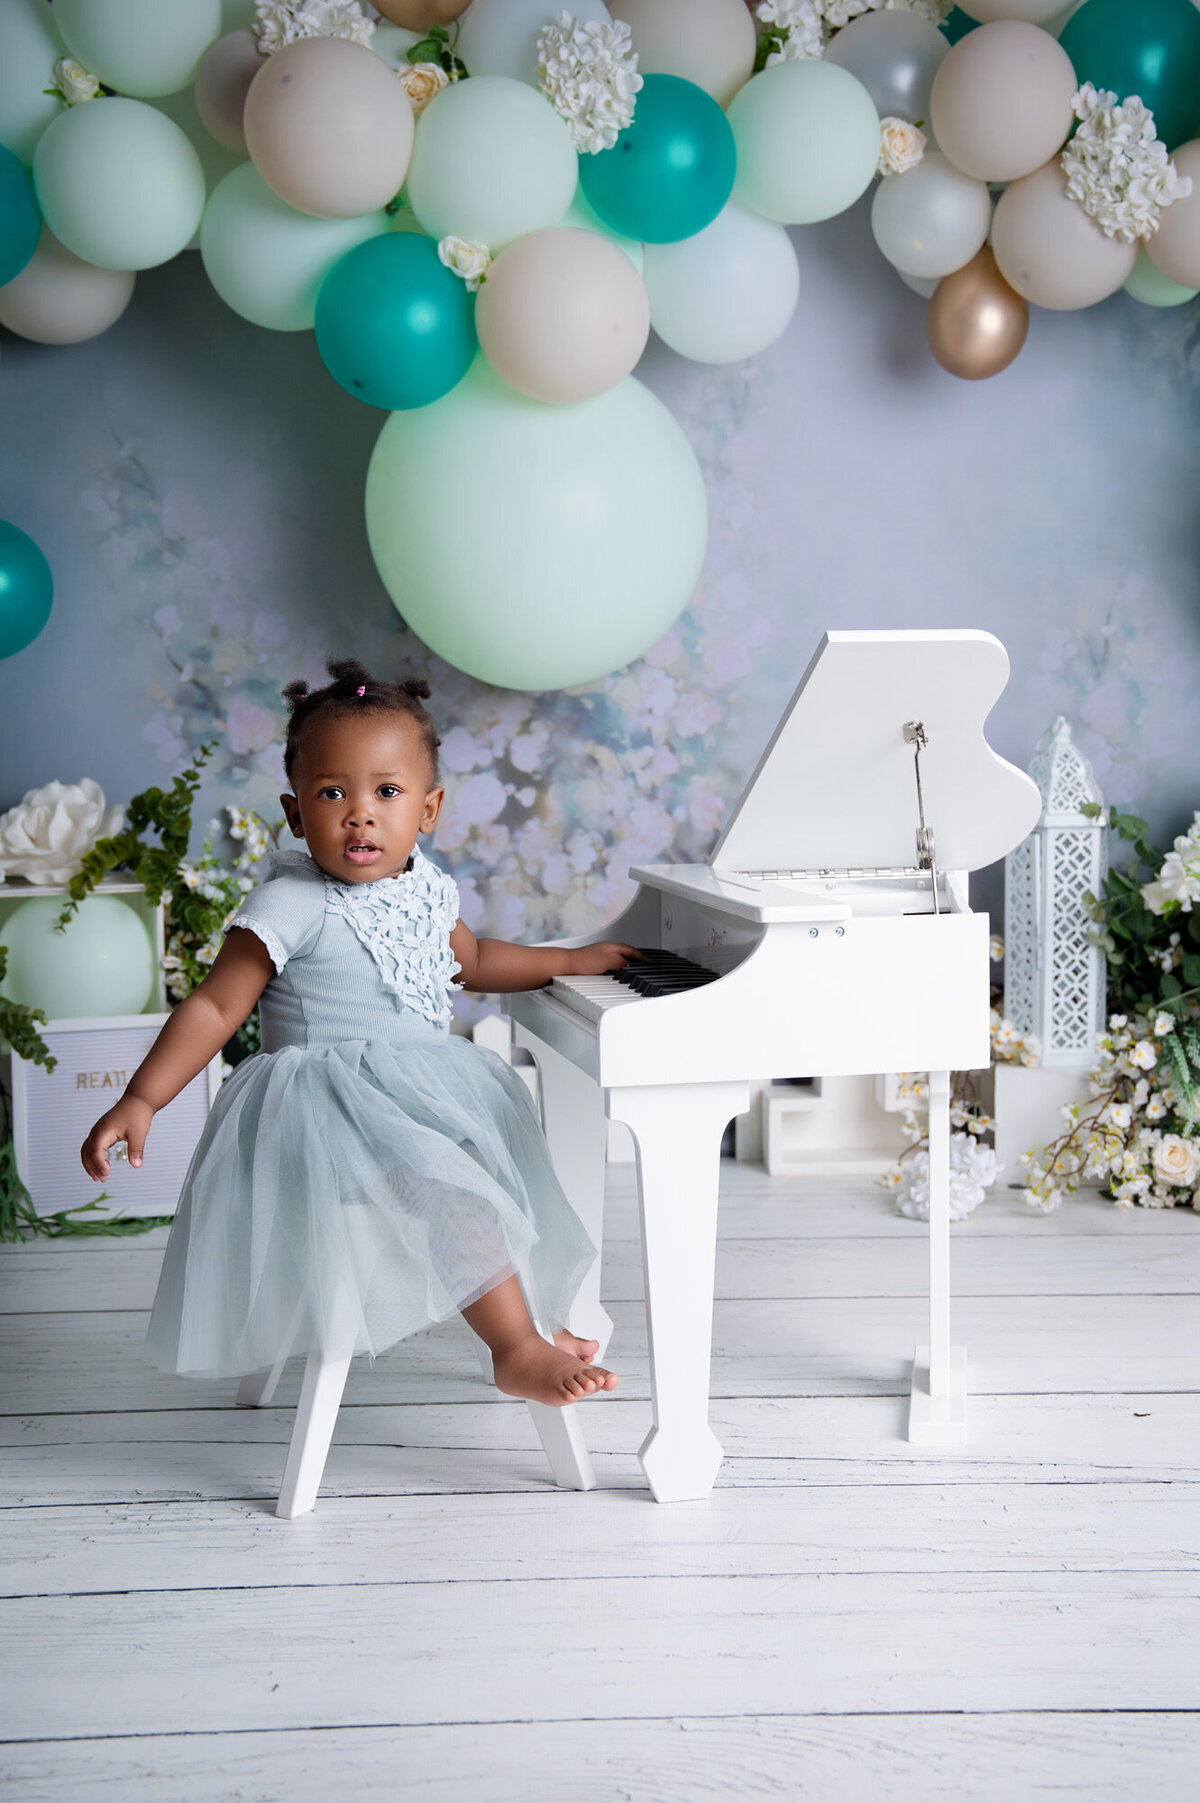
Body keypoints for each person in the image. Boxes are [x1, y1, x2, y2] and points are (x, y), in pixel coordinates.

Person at [80, 659, 639, 1407]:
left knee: (490, 1167)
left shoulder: (426, 892)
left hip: (414, 1096)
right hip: (328, 1112)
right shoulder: (290, 902)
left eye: (386, 791)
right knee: (453, 1181)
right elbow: (215, 1007)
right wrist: (143, 1097)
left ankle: (527, 1314)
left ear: (429, 808)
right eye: (332, 792)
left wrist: (569, 958)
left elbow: (473, 962)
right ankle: (514, 1348)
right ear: (293, 810)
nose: (360, 814)